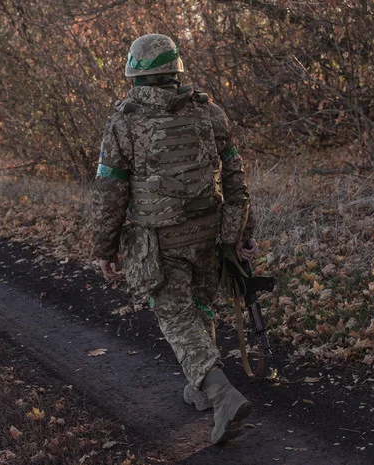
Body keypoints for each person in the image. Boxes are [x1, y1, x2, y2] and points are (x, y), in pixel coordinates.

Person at [90, 33, 258, 444]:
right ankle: (199, 389)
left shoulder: (125, 121)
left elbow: (110, 192)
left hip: (159, 241)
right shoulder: (209, 112)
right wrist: (239, 232)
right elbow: (236, 178)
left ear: (135, 74)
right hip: (209, 232)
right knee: (201, 306)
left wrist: (105, 247)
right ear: (176, 69)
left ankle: (221, 394)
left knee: (176, 317)